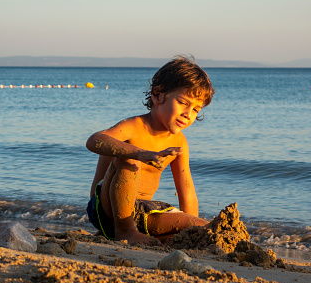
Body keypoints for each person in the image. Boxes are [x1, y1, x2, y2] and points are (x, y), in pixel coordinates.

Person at [86, 56, 215, 245]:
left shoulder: (179, 142)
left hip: (143, 213)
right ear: (158, 95)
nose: (188, 114)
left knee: (204, 227)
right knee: (128, 160)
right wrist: (137, 153)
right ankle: (124, 231)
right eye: (183, 102)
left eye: (196, 109)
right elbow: (94, 140)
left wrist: (191, 230)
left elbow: (186, 189)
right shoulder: (134, 126)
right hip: (105, 209)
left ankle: (136, 234)